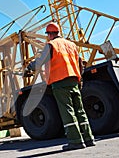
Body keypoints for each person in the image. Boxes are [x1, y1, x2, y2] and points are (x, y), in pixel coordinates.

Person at [26, 22, 96, 151]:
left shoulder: (51, 45)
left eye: (47, 34)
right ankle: (89, 138)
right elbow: (80, 63)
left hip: (60, 82)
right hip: (74, 80)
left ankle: (76, 141)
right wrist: (79, 79)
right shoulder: (71, 45)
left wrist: (29, 67)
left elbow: (40, 61)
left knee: (67, 111)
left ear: (50, 34)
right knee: (80, 110)